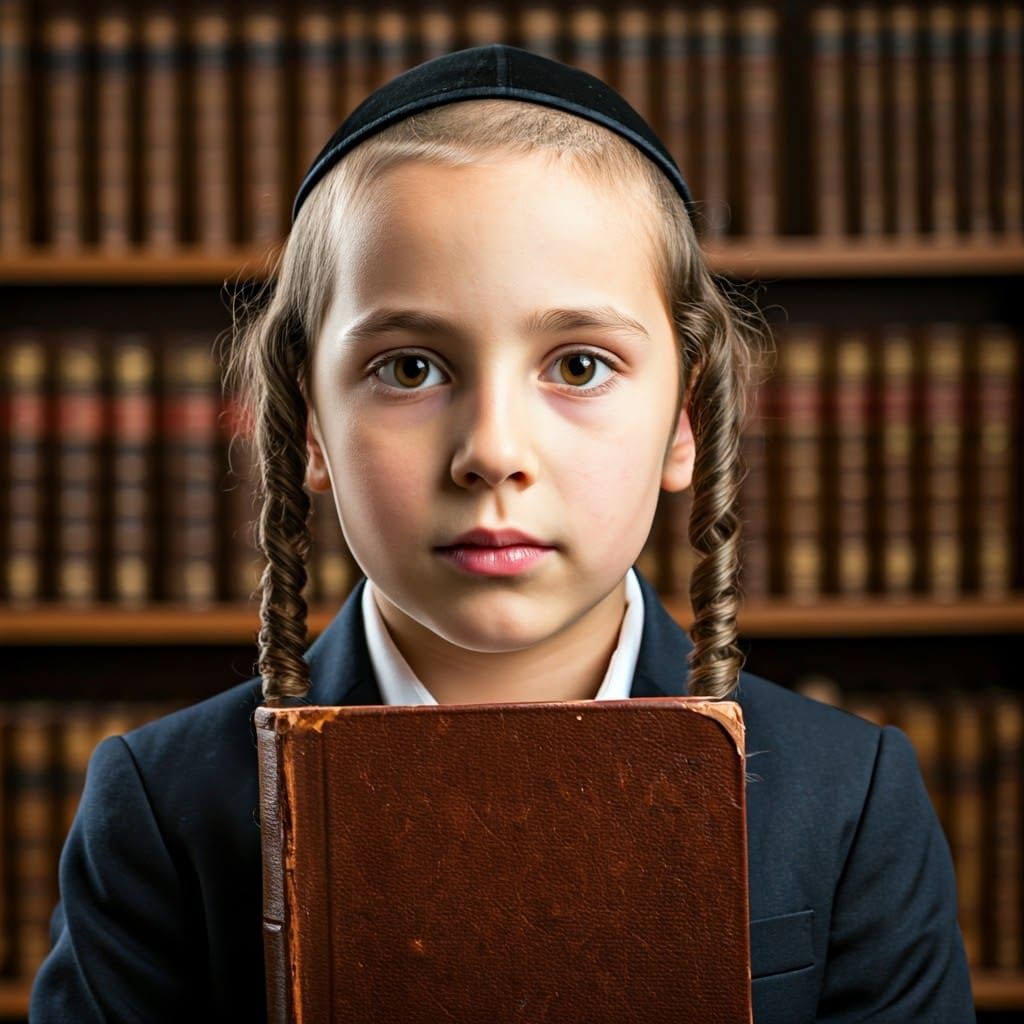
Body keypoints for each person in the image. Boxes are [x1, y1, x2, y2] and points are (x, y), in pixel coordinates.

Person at [30, 44, 974, 1023]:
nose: (491, 452)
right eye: (408, 369)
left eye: (576, 366)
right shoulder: (162, 812)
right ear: (309, 424)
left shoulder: (848, 803)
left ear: (684, 420)